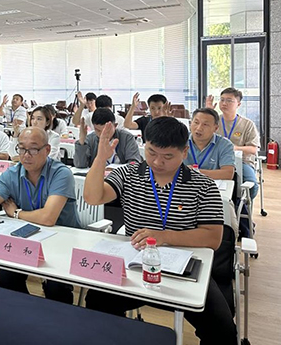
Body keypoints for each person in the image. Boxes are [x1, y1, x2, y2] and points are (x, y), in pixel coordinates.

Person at [83, 117, 236, 345]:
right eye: (151, 152)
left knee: (223, 329)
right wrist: (100, 159)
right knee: (97, 303)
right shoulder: (128, 174)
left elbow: (213, 238)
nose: (157, 162)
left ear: (184, 152)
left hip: (185, 272)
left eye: (168, 156)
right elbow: (92, 197)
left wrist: (164, 236)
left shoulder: (203, 186)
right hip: (135, 267)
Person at [0, 127, 80, 303]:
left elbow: (48, 218)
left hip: (62, 241)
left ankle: (55, 317)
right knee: (6, 278)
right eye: (21, 148)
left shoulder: (61, 173)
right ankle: (28, 312)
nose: (26, 155)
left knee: (56, 288)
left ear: (47, 150)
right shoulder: (12, 174)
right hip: (27, 239)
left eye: (33, 149)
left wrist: (16, 213)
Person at [206, 87, 261, 198]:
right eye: (222, 99)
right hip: (215, 160)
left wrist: (233, 148)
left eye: (229, 100)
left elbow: (253, 149)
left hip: (241, 162)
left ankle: (241, 207)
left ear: (238, 104)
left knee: (252, 186)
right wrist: (208, 114)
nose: (224, 103)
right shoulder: (213, 122)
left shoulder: (247, 124)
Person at [74, 108, 141, 168]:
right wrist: (82, 140)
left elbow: (134, 164)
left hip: (120, 176)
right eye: (98, 130)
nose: (102, 134)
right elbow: (80, 165)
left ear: (115, 126)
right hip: (97, 176)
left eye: (107, 130)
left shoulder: (127, 138)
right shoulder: (90, 139)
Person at [183, 108, 235, 181]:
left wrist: (194, 172)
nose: (199, 128)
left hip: (213, 185)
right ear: (190, 123)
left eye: (205, 124)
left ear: (215, 128)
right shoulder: (180, 140)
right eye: (196, 122)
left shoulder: (225, 145)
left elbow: (228, 174)